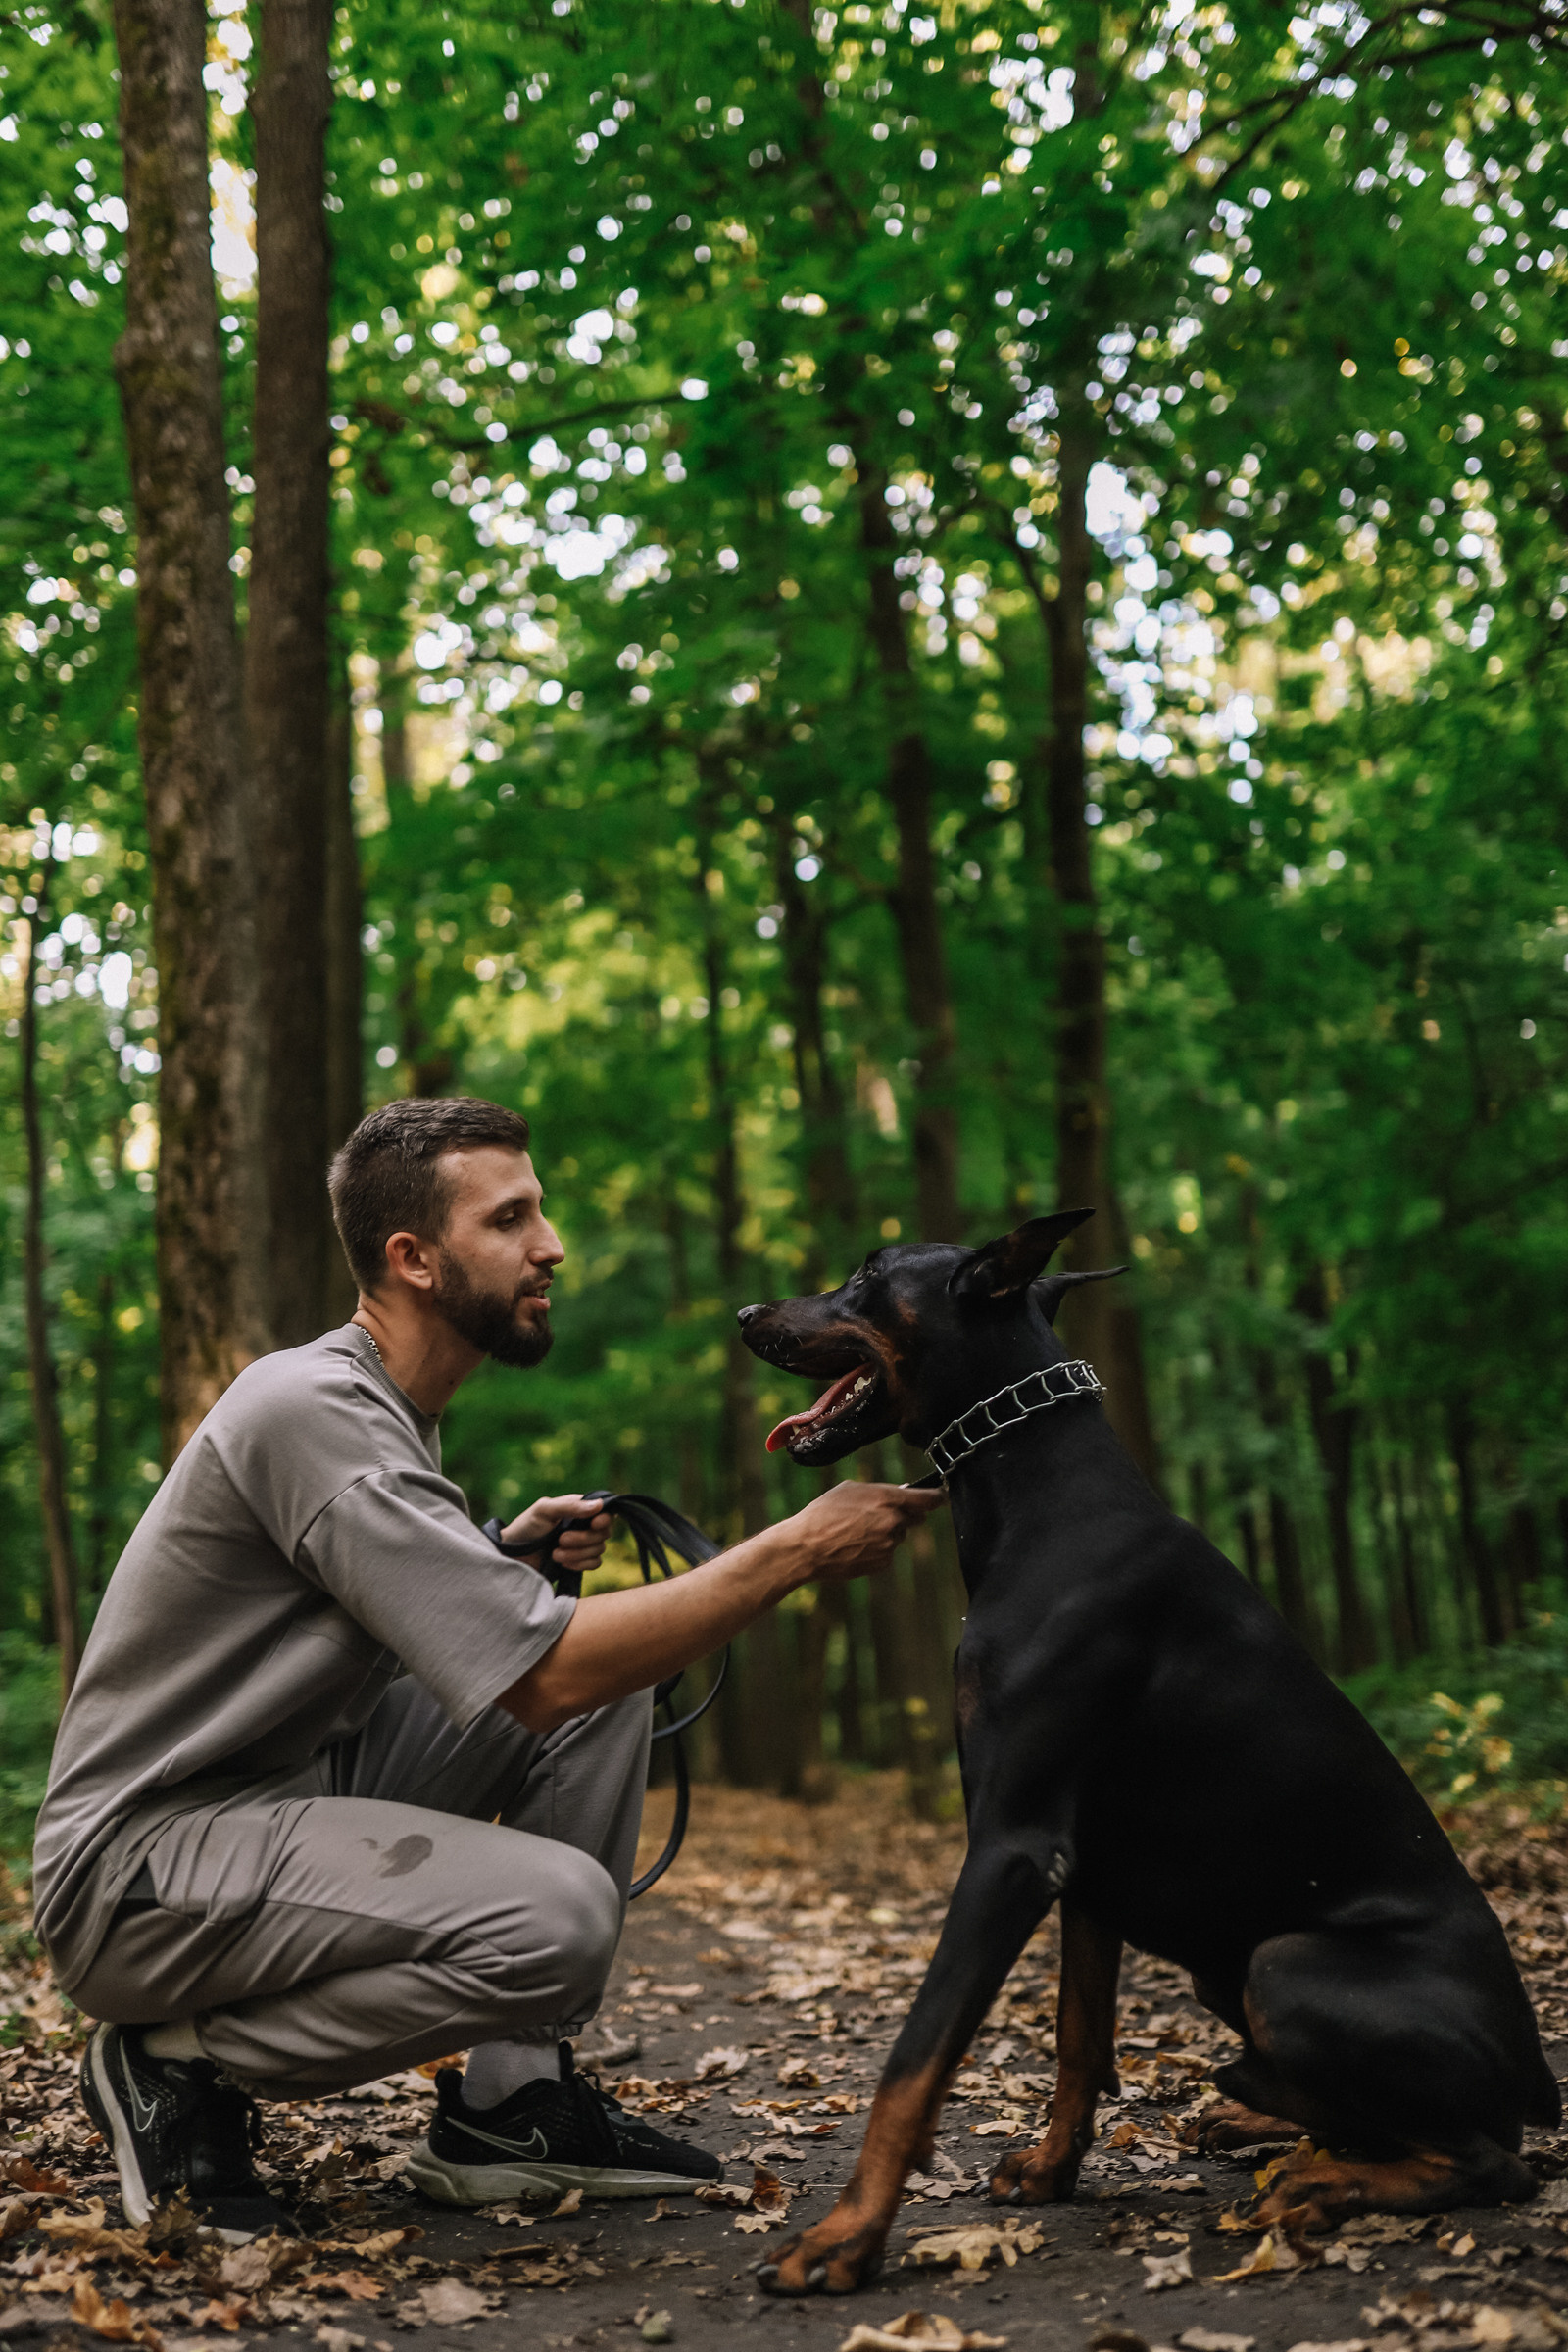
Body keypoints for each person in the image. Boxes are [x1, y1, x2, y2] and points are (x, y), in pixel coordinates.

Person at [33, 1097, 945, 2243]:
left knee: (602, 1673)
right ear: (412, 1259)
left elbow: (406, 1625)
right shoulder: (315, 1411)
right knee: (558, 1917)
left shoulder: (385, 1412)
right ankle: (171, 2060)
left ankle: (516, 2105)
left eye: (541, 1213)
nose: (550, 1245)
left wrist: (496, 1560)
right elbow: (537, 1679)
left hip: (273, 1802)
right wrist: (797, 1548)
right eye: (510, 1218)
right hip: (141, 1869)